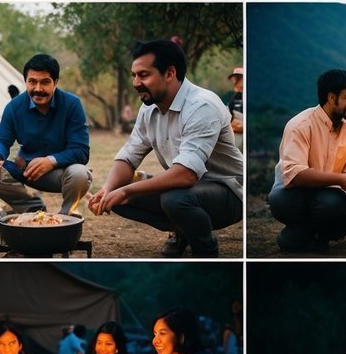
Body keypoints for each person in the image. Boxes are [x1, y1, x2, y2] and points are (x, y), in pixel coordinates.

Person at [88, 39, 243, 258]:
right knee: (114, 196)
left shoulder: (202, 106)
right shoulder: (148, 108)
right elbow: (129, 156)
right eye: (134, 75)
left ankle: (205, 250)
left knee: (174, 199)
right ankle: (183, 231)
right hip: (186, 190)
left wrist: (126, 190)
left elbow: (186, 175)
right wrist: (109, 189)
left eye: (143, 75)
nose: (135, 82)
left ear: (170, 73)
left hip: (228, 192)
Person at [268, 69, 346, 253]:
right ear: (332, 98)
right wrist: (342, 179)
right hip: (291, 194)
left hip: (326, 198)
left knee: (335, 203)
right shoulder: (300, 125)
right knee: (282, 202)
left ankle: (310, 233)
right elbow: (296, 175)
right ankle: (310, 232)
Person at [0, 54, 91, 214]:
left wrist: (51, 161)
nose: (38, 88)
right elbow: (0, 140)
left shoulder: (72, 104)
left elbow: (81, 151)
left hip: (60, 173)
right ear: (25, 81)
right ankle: (32, 207)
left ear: (55, 82)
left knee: (80, 174)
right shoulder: (14, 107)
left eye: (45, 82)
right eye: (32, 81)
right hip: (25, 171)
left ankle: (66, 218)